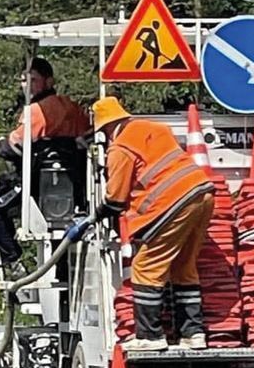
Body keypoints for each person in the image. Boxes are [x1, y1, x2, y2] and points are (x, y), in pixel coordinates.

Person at [89, 96, 215, 351]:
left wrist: (97, 214)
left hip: (172, 202)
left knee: (145, 267)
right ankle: (193, 333)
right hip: (202, 193)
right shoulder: (153, 128)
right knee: (184, 266)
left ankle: (149, 335)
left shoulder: (120, 147)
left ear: (105, 127)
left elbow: (115, 199)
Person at [0, 57, 90, 275]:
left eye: (32, 80)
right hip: (74, 188)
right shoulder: (72, 107)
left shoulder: (36, 111)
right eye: (23, 80)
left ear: (49, 81)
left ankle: (13, 261)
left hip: (38, 185)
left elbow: (13, 145)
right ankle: (62, 270)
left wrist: (0, 144)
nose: (26, 85)